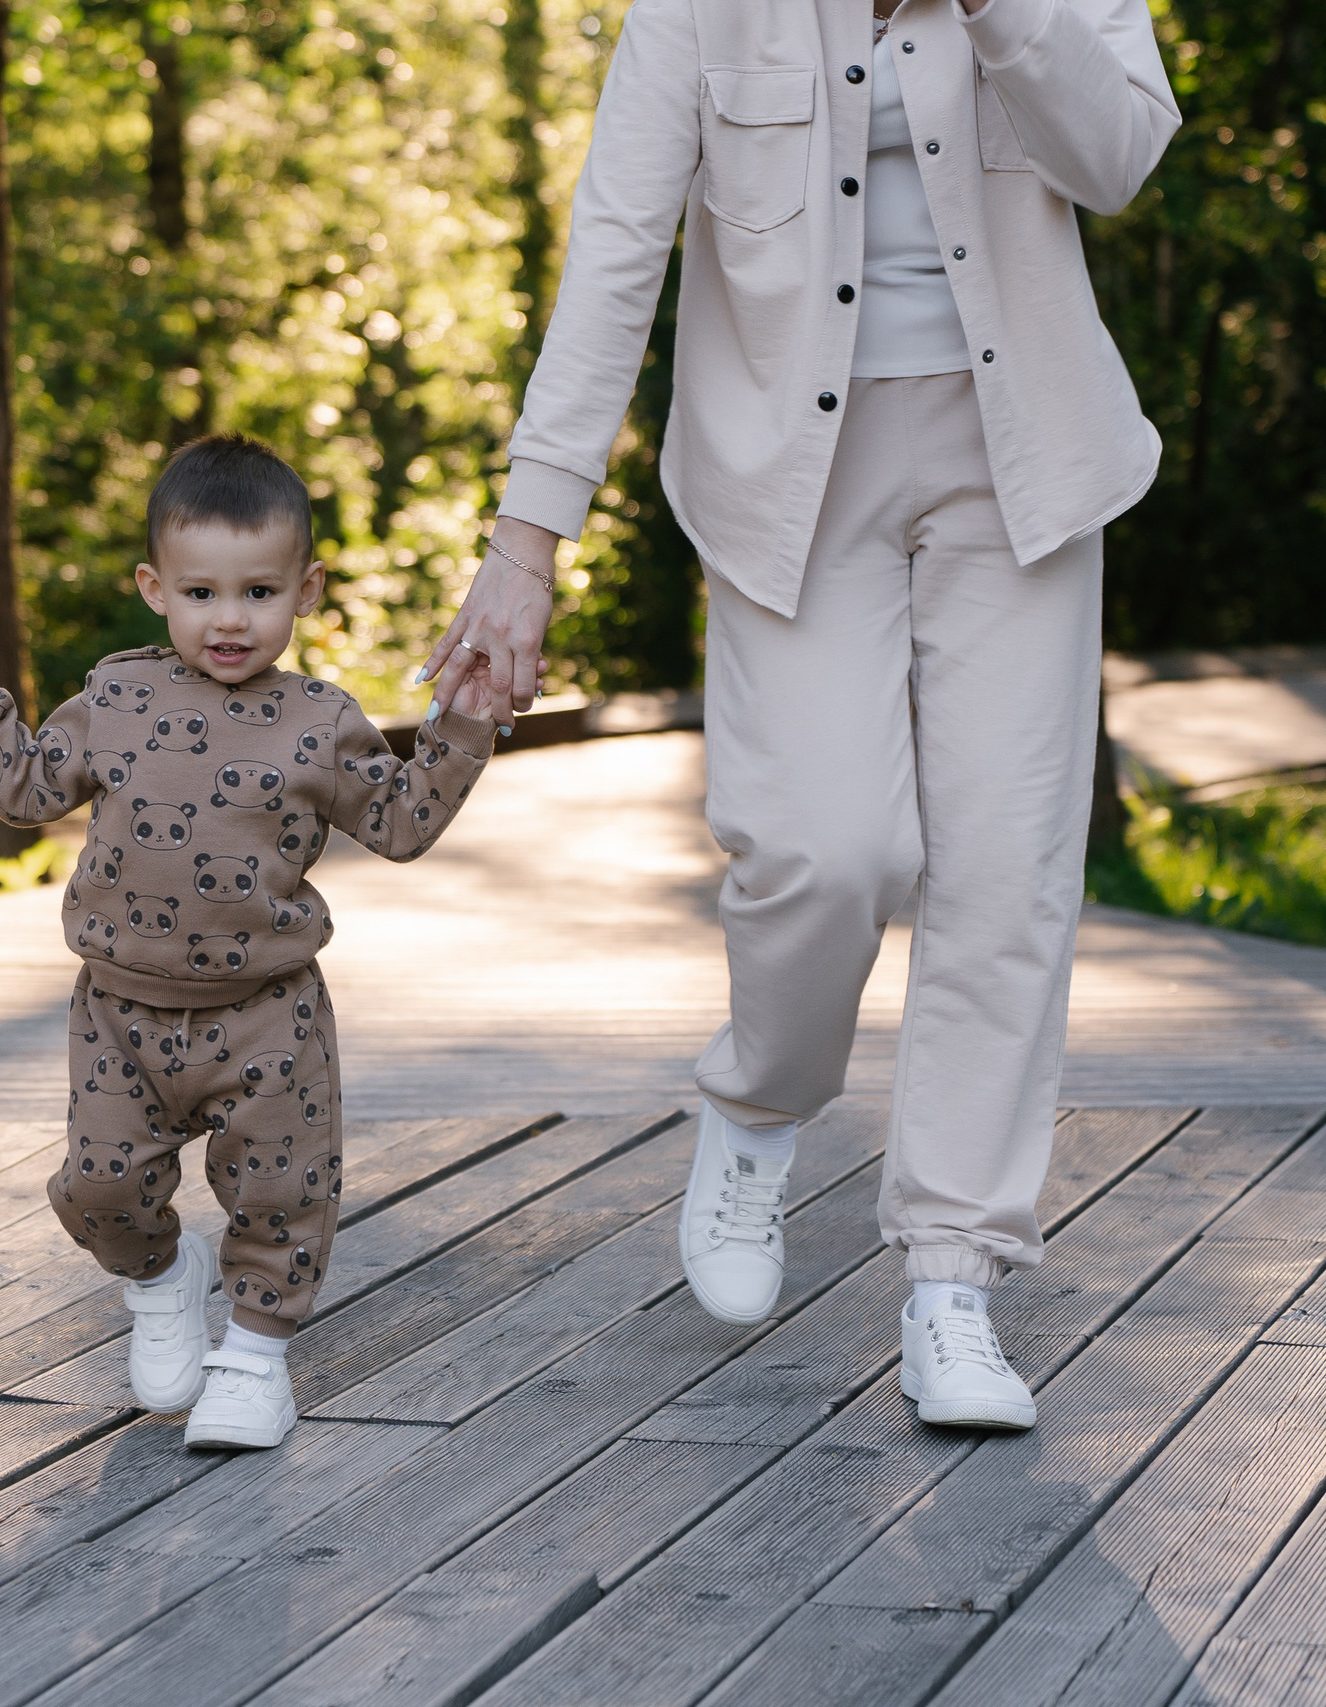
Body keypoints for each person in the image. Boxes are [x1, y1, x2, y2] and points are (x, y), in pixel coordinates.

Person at [426, 0, 1176, 1429]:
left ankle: (954, 1276)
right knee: (821, 849)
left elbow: (1122, 153)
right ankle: (760, 1102)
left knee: (1006, 874)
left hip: (1023, 464)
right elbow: (616, 251)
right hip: (789, 477)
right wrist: (529, 538)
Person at [0, 436, 495, 1450]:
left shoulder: (319, 720)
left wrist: (466, 724)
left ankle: (252, 1360)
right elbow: (23, 788)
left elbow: (401, 824)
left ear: (305, 589)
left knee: (282, 1195)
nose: (228, 619)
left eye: (258, 591)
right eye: (199, 592)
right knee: (100, 1189)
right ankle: (158, 1278)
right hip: (119, 1011)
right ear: (154, 586)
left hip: (265, 1015)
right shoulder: (113, 697)